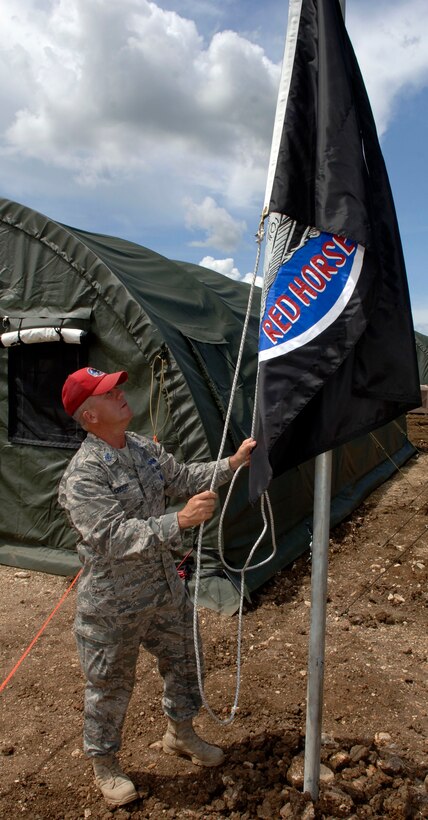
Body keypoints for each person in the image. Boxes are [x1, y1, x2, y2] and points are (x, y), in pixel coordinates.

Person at [58, 366, 256, 807]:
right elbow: (111, 536)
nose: (122, 394)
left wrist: (233, 463)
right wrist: (179, 520)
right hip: (113, 603)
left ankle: (180, 733)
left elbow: (184, 477)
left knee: (186, 661)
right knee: (109, 684)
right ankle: (106, 765)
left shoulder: (143, 448)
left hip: (164, 589)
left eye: (117, 387)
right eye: (110, 393)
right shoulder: (84, 475)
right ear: (90, 416)